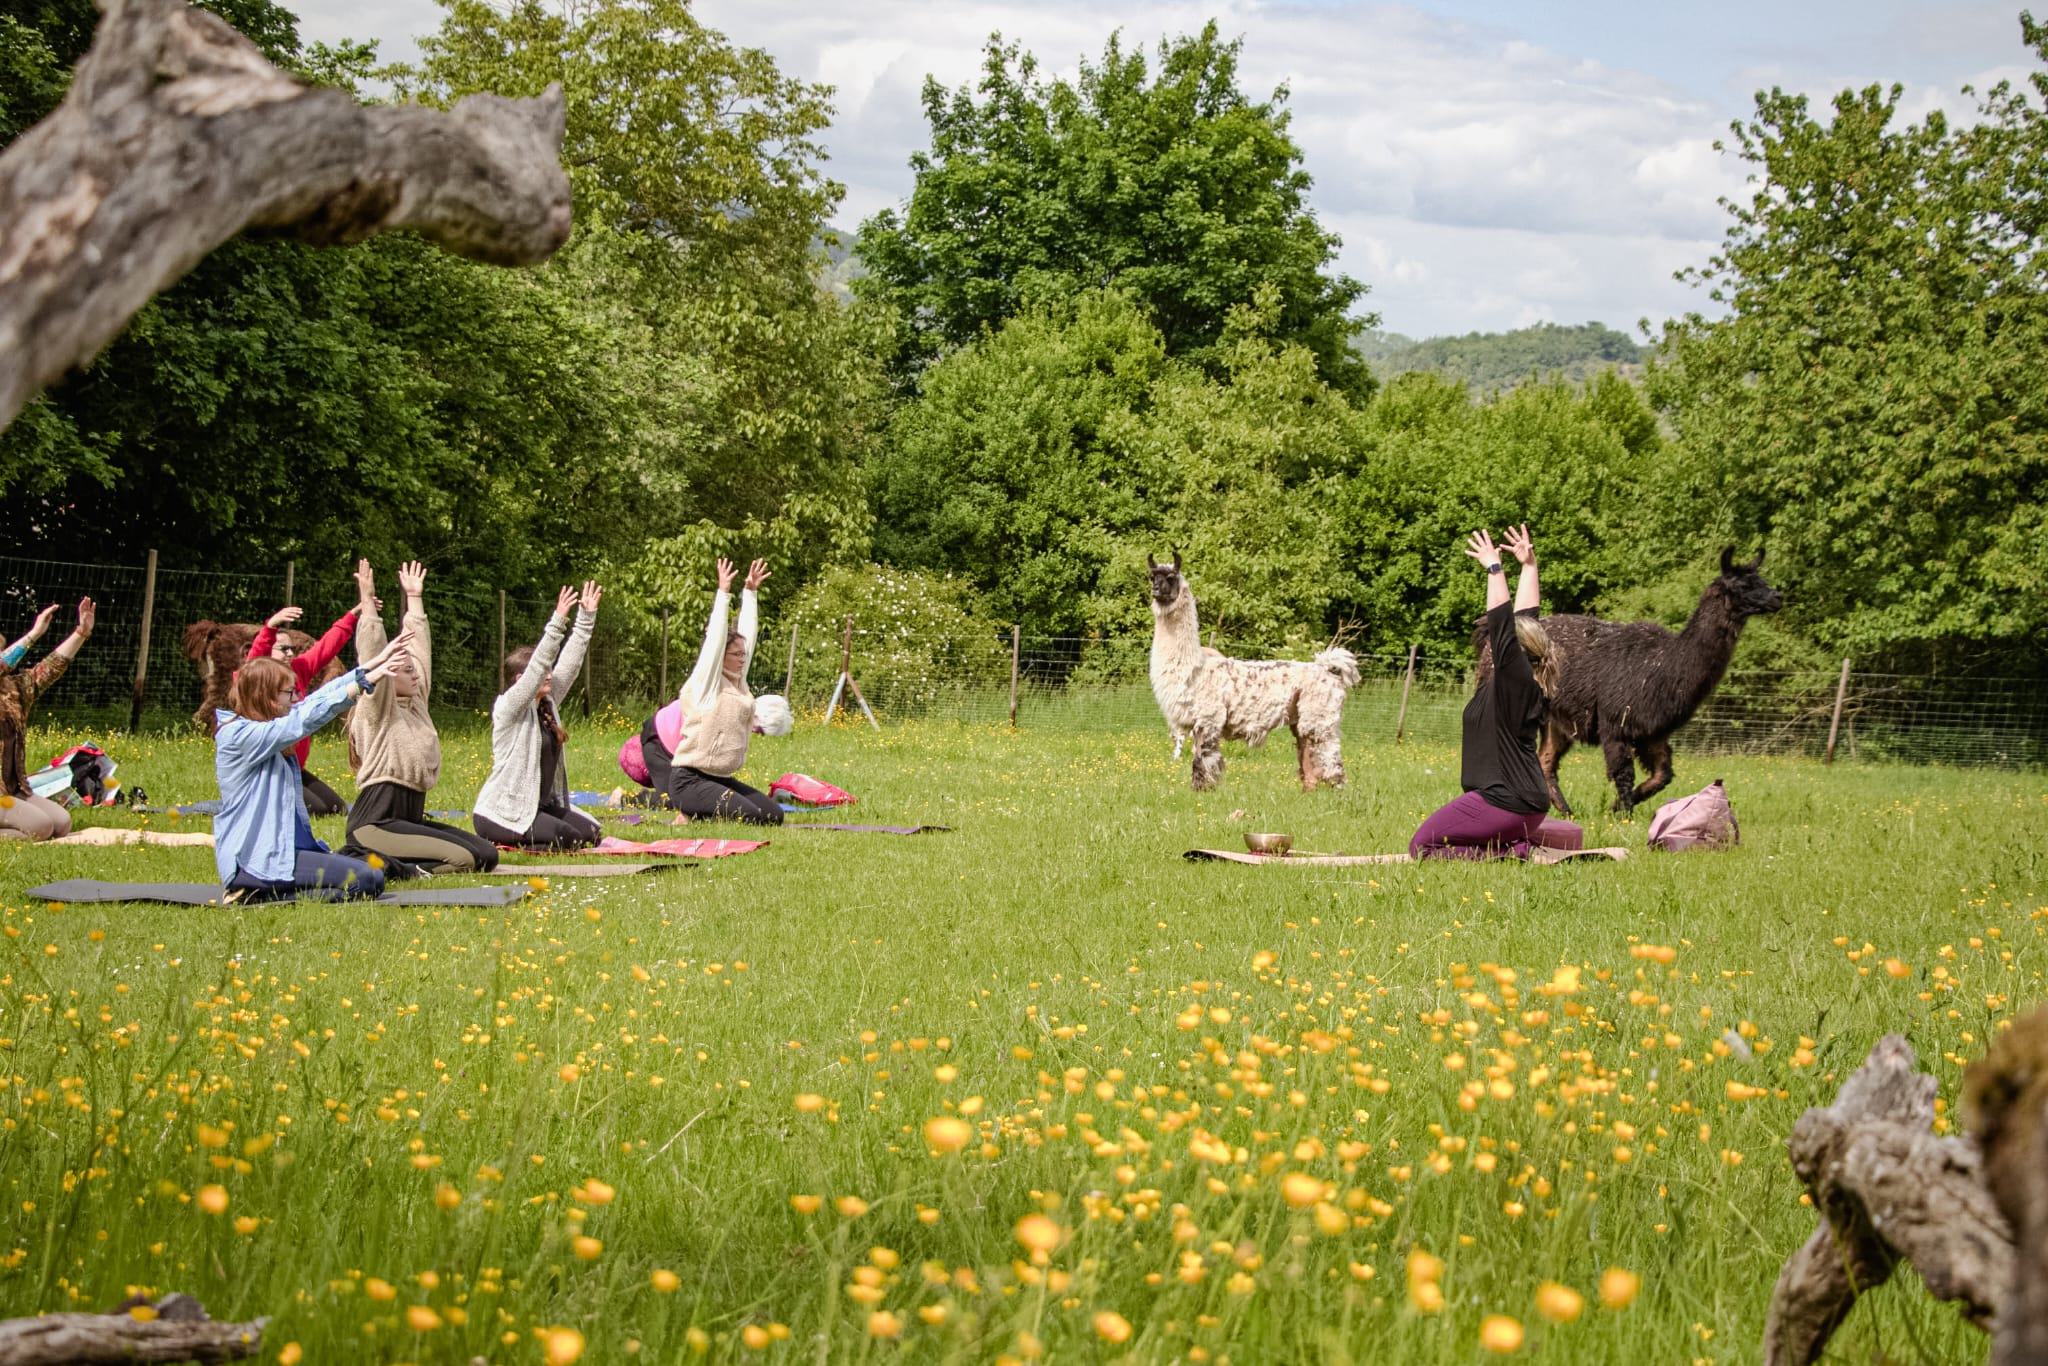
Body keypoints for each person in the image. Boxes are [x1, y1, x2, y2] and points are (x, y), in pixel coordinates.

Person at [214, 630, 414, 901]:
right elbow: (304, 719)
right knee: (367, 879)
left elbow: (314, 702)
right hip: (254, 862)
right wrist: (362, 683)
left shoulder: (266, 725)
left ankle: (269, 894)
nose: (295, 699)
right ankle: (257, 895)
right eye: (288, 693)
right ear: (266, 697)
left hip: (284, 851)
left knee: (369, 876)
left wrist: (372, 666)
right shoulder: (238, 736)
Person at [1410, 525, 1560, 860]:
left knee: (1423, 847)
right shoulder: (1519, 680)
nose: (1492, 640)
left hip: (1505, 802)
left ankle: (1508, 856)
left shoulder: (1516, 680)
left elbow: (1505, 624)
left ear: (1515, 651)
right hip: (1521, 805)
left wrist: (1495, 569)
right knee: (1441, 841)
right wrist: (1529, 566)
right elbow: (1525, 619)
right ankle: (1516, 845)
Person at [341, 560, 499, 876]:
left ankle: (388, 861)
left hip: (407, 820)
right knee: (463, 861)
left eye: (413, 669)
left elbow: (419, 648)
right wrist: (368, 604)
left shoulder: (416, 703)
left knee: (486, 854)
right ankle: (383, 865)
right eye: (404, 669)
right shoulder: (378, 708)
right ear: (387, 674)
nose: (414, 673)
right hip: (376, 823)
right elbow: (372, 654)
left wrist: (415, 598)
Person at [635, 558, 782, 825]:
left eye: (743, 655)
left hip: (718, 778)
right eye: (736, 654)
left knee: (773, 815)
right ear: (721, 658)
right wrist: (723, 594)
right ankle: (691, 813)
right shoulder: (705, 685)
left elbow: (747, 634)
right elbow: (715, 641)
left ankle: (696, 813)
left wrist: (750, 593)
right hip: (689, 780)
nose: (741, 658)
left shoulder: (738, 683)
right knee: (749, 817)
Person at [472, 582, 604, 851]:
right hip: (500, 812)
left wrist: (586, 619)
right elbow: (537, 670)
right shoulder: (508, 707)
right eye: (542, 671)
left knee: (592, 833)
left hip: (538, 805)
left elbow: (569, 666)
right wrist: (557, 622)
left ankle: (535, 837)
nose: (547, 674)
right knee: (569, 839)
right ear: (520, 680)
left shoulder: (546, 703)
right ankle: (510, 842)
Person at [246, 599, 361, 816]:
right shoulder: (256, 680)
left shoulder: (297, 671)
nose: (290, 653)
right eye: (283, 649)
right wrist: (269, 628)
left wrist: (352, 615)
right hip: (271, 770)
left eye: (292, 648)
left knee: (336, 808)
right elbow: (255, 659)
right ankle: (261, 799)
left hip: (294, 766)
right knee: (316, 810)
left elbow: (325, 649)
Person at [0, 599, 94, 841]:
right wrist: (34, 634)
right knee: (40, 827)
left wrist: (80, 633)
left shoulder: (12, 689)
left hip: (11, 790)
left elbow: (50, 668)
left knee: (61, 823)